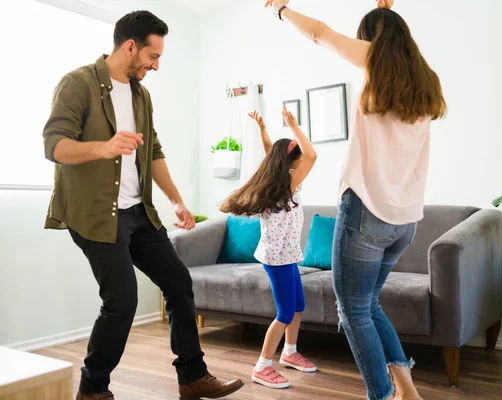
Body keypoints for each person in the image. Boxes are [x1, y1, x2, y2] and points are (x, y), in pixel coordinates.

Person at [42, 10, 244, 400]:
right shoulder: (77, 84)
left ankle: (192, 377)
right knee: (122, 300)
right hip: (96, 215)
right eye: (153, 56)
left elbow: (152, 151)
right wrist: (103, 146)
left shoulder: (140, 94)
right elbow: (54, 145)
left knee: (179, 283)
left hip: (138, 213)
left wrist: (177, 201)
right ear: (130, 46)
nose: (156, 65)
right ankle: (92, 389)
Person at [263, 1, 447, 399]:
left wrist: (282, 10)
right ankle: (408, 392)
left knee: (353, 310)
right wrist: (384, 12)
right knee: (369, 305)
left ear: (372, 41)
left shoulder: (375, 59)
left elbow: (320, 33)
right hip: (404, 223)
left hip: (365, 214)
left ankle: (379, 395)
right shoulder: (425, 79)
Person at [219, 106, 318, 389]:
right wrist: (294, 126)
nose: (303, 165)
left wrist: (264, 130)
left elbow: (272, 153)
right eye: (298, 161)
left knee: (298, 306)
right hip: (279, 259)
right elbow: (311, 155)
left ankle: (290, 351)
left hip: (284, 255)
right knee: (286, 312)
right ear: (292, 164)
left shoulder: (275, 181)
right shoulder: (287, 184)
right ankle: (262, 366)